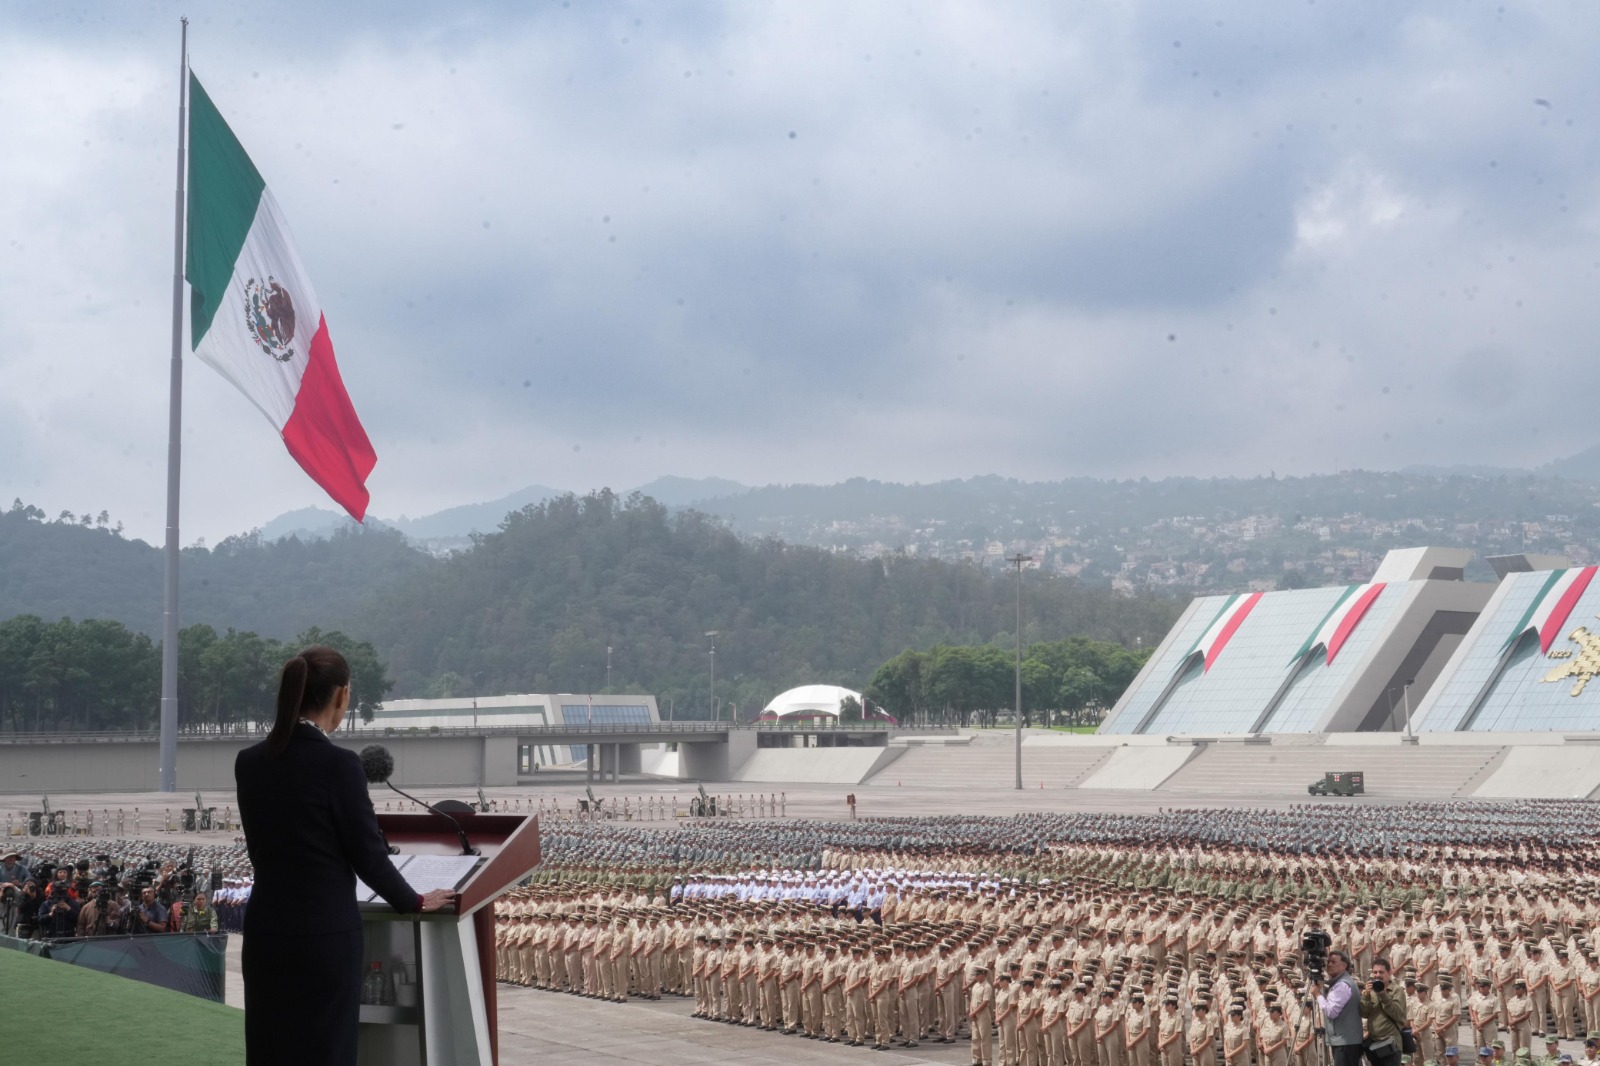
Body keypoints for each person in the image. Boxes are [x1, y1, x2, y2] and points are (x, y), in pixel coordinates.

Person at [236, 646, 456, 1066]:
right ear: (342, 696)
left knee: (270, 1050)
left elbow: (261, 848)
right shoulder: (338, 765)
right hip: (324, 936)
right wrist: (414, 900)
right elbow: (367, 854)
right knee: (325, 1050)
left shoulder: (250, 762)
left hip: (266, 932)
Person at [1315, 949, 1366, 1066]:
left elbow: (1331, 1012)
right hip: (1345, 1042)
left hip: (1345, 1043)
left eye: (1333, 962)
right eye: (1328, 962)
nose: (1329, 964)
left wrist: (1318, 995)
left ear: (1344, 965)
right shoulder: (1341, 983)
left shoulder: (1342, 985)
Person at [1362, 957, 1411, 1066]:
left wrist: (1383, 994)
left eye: (1381, 972)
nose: (1377, 975)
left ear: (1389, 973)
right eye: (1375, 972)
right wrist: (1366, 995)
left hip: (1391, 1044)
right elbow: (1364, 1013)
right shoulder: (1371, 991)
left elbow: (1398, 1014)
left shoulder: (1397, 990)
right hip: (1374, 1044)